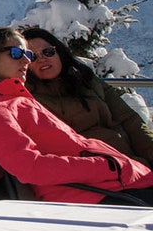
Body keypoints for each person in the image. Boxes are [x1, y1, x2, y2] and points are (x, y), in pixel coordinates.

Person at [0, 26, 153, 204]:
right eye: (15, 53)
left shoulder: (11, 99)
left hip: (106, 181)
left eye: (26, 55)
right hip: (86, 191)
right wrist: (106, 167)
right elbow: (30, 166)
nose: (26, 60)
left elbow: (129, 120)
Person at [22, 26, 153, 168]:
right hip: (99, 173)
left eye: (48, 52)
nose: (42, 59)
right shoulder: (28, 99)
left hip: (132, 162)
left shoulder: (87, 81)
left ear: (59, 52)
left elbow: (130, 120)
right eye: (32, 56)